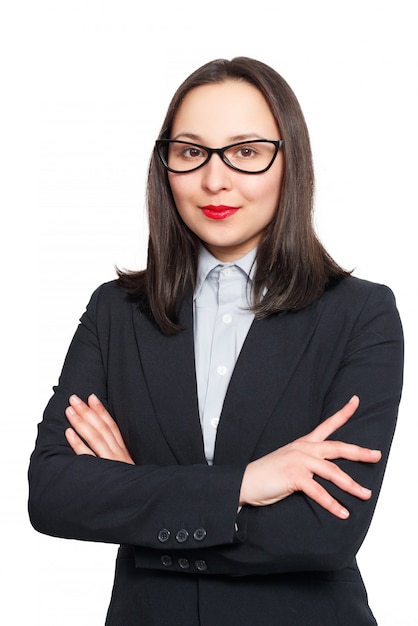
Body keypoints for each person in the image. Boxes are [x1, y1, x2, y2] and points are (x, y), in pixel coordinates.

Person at [28, 57, 404, 625]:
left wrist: (133, 493)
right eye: (190, 152)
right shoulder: (115, 312)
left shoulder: (360, 315)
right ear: (166, 167)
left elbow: (323, 533)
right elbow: (53, 493)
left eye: (246, 152)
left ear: (289, 162)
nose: (214, 180)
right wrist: (247, 484)